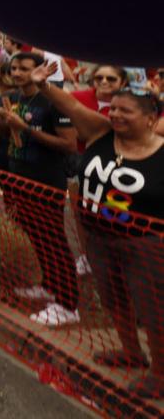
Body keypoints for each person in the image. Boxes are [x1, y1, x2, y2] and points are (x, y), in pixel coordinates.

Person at [36, 65, 164, 399]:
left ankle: (161, 372)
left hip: (146, 245)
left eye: (127, 112)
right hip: (99, 239)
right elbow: (72, 107)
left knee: (153, 310)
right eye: (114, 109)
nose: (116, 115)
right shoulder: (101, 132)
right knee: (115, 300)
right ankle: (131, 352)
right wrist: (43, 85)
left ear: (151, 119)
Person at [0, 51, 79, 326]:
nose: (18, 73)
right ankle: (49, 285)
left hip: (46, 179)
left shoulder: (52, 102)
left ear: (39, 71)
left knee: (53, 239)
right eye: (14, 69)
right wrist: (3, 124)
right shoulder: (18, 99)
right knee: (36, 235)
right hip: (19, 176)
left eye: (24, 68)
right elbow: (14, 137)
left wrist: (27, 129)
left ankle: (68, 304)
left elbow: (69, 144)